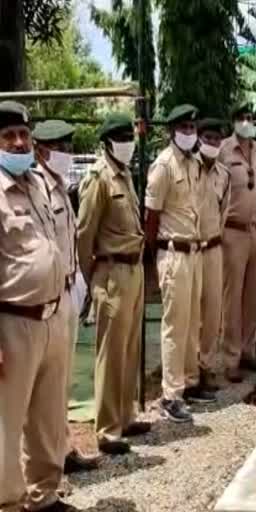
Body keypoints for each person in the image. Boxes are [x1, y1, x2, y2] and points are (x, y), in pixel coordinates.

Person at [0, 101, 76, 512]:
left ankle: (44, 495)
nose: (17, 142)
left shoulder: (37, 183)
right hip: (13, 322)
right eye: (8, 136)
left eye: (23, 135)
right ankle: (7, 502)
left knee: (48, 415)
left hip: (51, 315)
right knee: (7, 422)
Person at [78, 113, 150, 455]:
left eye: (129, 136)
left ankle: (125, 415)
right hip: (111, 272)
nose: (128, 142)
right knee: (111, 352)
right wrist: (91, 277)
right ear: (108, 142)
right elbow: (84, 235)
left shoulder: (124, 175)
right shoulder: (98, 178)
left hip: (133, 270)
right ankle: (107, 430)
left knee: (130, 348)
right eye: (121, 137)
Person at [32, 120, 101, 475]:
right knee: (42, 385)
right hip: (46, 296)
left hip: (68, 291)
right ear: (42, 151)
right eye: (60, 147)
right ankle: (43, 458)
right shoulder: (37, 188)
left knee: (63, 377)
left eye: (69, 146)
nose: (67, 153)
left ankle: (61, 446)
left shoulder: (60, 186)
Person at [145, 104, 214, 424]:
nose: (190, 133)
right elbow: (152, 217)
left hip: (195, 251)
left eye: (192, 127)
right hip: (173, 253)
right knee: (175, 325)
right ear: (172, 131)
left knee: (192, 321)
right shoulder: (163, 166)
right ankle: (170, 394)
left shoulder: (194, 163)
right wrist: (150, 258)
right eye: (184, 128)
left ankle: (188, 381)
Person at [218, 102, 256, 383]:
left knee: (253, 295)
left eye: (250, 117)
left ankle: (249, 352)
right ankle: (230, 357)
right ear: (234, 121)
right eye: (242, 118)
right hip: (233, 231)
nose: (247, 122)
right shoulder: (225, 150)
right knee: (232, 296)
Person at [197, 118, 231, 392]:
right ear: (198, 139)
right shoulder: (189, 168)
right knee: (189, 314)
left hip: (214, 248)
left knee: (212, 313)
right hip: (191, 249)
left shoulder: (224, 175)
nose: (212, 144)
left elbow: (224, 212)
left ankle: (205, 367)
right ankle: (188, 374)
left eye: (216, 140)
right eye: (207, 138)